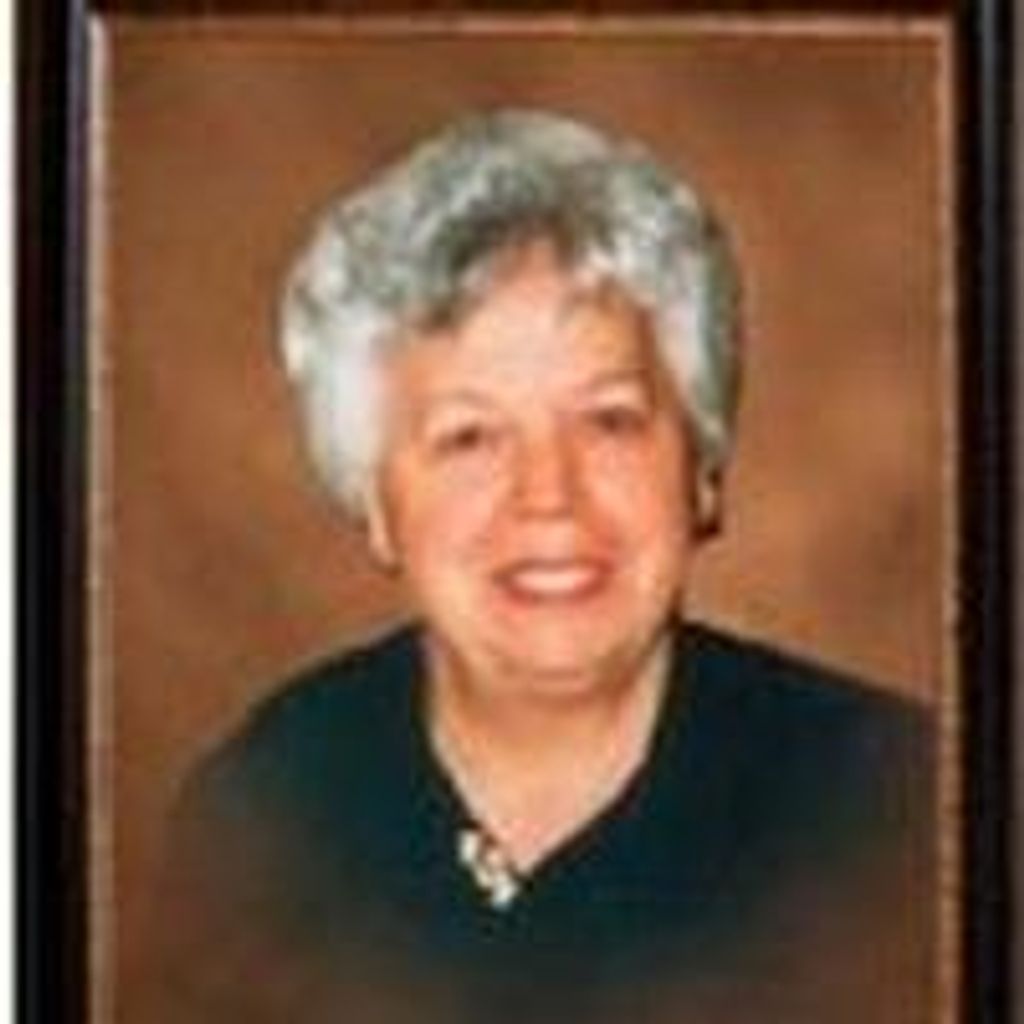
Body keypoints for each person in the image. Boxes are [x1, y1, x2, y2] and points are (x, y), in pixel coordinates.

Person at [156, 109, 935, 1024]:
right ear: (377, 507)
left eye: (609, 421)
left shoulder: (901, 808)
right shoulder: (264, 808)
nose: (548, 497)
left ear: (702, 468)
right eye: (469, 437)